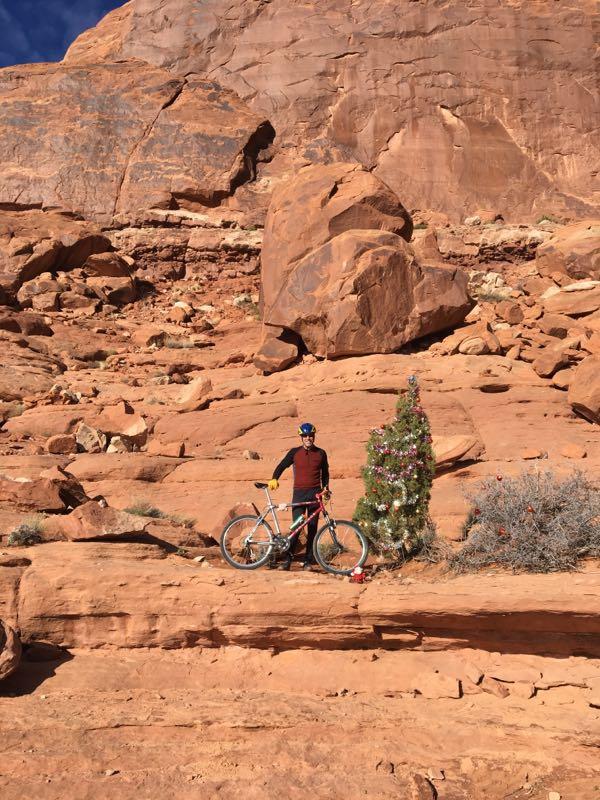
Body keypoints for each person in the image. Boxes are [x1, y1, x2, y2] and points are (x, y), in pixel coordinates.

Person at [268, 422, 329, 571]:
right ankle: (288, 560)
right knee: (296, 527)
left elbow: (325, 473)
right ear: (301, 437)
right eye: (305, 436)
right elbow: (282, 465)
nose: (308, 438)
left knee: (312, 528)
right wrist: (274, 478)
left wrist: (326, 488)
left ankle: (308, 561)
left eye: (310, 435)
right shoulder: (294, 452)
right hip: (299, 494)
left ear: (314, 436)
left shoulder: (321, 453)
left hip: (315, 494)